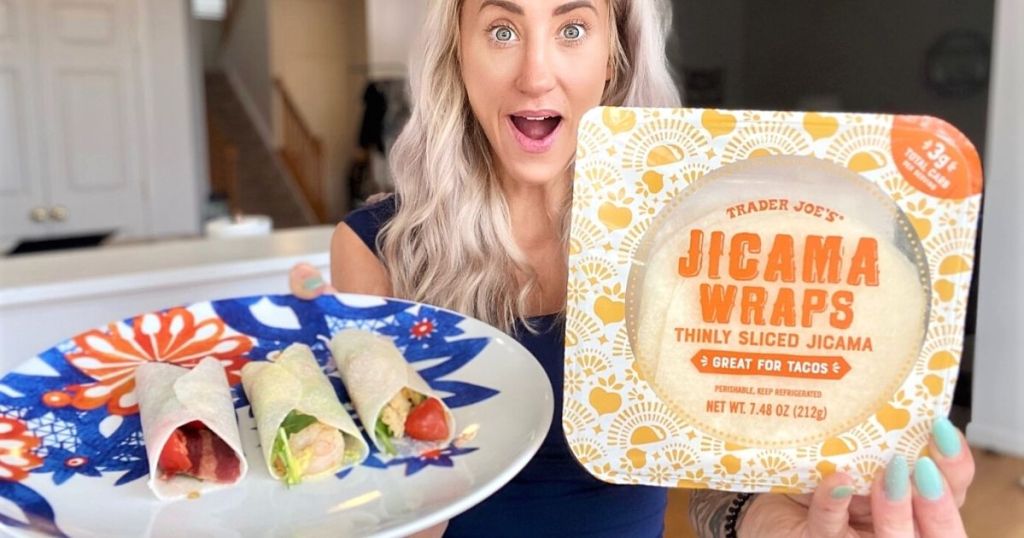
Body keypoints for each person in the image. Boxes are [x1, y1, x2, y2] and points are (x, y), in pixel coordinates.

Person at [320, 0, 976, 536]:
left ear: (614, 57)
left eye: (573, 29)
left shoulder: (687, 234)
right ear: (457, 56)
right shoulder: (381, 249)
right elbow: (398, 519)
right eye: (501, 29)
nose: (536, 74)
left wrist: (775, 518)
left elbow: (712, 487)